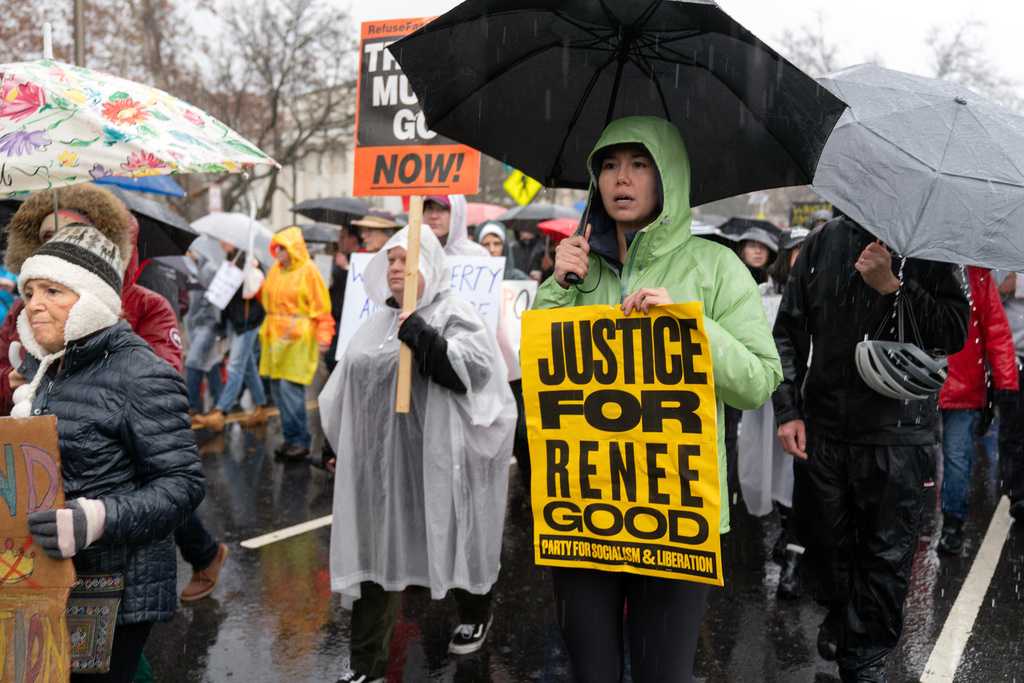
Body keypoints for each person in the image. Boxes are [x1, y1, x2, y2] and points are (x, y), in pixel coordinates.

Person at [535, 116, 782, 683]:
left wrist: (688, 327)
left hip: (675, 514)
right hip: (585, 511)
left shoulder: (716, 266)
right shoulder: (575, 270)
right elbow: (540, 377)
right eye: (609, 165)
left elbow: (758, 380)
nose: (621, 178)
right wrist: (556, 288)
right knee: (591, 673)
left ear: (668, 176)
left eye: (639, 164)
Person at [1, 186, 228, 605]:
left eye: (71, 231)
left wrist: (105, 364)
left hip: (116, 574)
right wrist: (19, 381)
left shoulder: (144, 310)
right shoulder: (35, 334)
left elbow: (177, 476)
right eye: (30, 293)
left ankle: (205, 554)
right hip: (46, 564)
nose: (35, 304)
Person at [774, 215, 968, 682]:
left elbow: (953, 332)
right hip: (824, 430)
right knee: (827, 550)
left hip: (898, 435)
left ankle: (863, 661)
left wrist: (894, 289)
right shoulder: (823, 242)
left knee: (884, 558)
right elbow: (787, 332)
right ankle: (843, 617)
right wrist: (788, 410)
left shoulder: (931, 244)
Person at [322, 225, 515, 683]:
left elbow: (471, 375)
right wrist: (332, 445)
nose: (395, 267)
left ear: (429, 263)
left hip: (440, 463)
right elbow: (346, 388)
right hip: (382, 467)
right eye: (389, 259)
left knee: (452, 539)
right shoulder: (375, 324)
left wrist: (422, 336)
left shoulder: (455, 313)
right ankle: (366, 665)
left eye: (405, 259)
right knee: (377, 556)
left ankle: (475, 610)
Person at [18, 223, 204, 682]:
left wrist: (95, 519)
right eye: (30, 291)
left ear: (91, 299)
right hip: (51, 575)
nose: (34, 303)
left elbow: (182, 485)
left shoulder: (142, 374)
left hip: (115, 587)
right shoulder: (46, 367)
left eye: (53, 291)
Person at [937, 266, 1018, 555]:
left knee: (941, 459)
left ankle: (948, 525)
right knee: (956, 459)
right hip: (961, 384)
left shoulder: (916, 266)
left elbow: (995, 330)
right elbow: (996, 329)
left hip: (926, 381)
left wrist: (1005, 382)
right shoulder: (973, 273)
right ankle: (951, 527)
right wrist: (1005, 383)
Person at [259, 226, 335, 460]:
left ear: (293, 248)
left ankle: (300, 441)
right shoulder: (276, 270)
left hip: (298, 340)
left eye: (282, 248)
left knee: (290, 389)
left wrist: (324, 336)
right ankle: (291, 437)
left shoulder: (309, 271)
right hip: (274, 339)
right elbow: (267, 298)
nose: (278, 252)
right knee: (278, 390)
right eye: (276, 248)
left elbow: (322, 308)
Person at [193, 243, 270, 431]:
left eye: (225, 241)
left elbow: (255, 290)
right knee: (248, 366)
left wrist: (247, 271)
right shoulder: (230, 259)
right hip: (236, 321)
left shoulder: (250, 260)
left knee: (235, 366)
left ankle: (221, 412)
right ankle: (261, 407)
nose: (221, 243)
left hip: (248, 321)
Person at [183, 237, 225, 416]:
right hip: (195, 325)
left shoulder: (209, 269)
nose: (186, 255)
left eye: (188, 251)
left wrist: (212, 320)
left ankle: (193, 405)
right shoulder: (195, 270)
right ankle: (219, 402)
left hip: (207, 324)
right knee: (210, 363)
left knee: (192, 362)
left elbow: (215, 298)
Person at [996, 272, 1024, 523]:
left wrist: (1019, 284)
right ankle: (1017, 494)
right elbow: (990, 290)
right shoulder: (1001, 256)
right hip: (1010, 357)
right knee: (1012, 429)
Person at [423, 194, 489, 257]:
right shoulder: (418, 252)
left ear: (457, 214)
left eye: (442, 209)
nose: (433, 216)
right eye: (429, 208)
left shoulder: (477, 255)